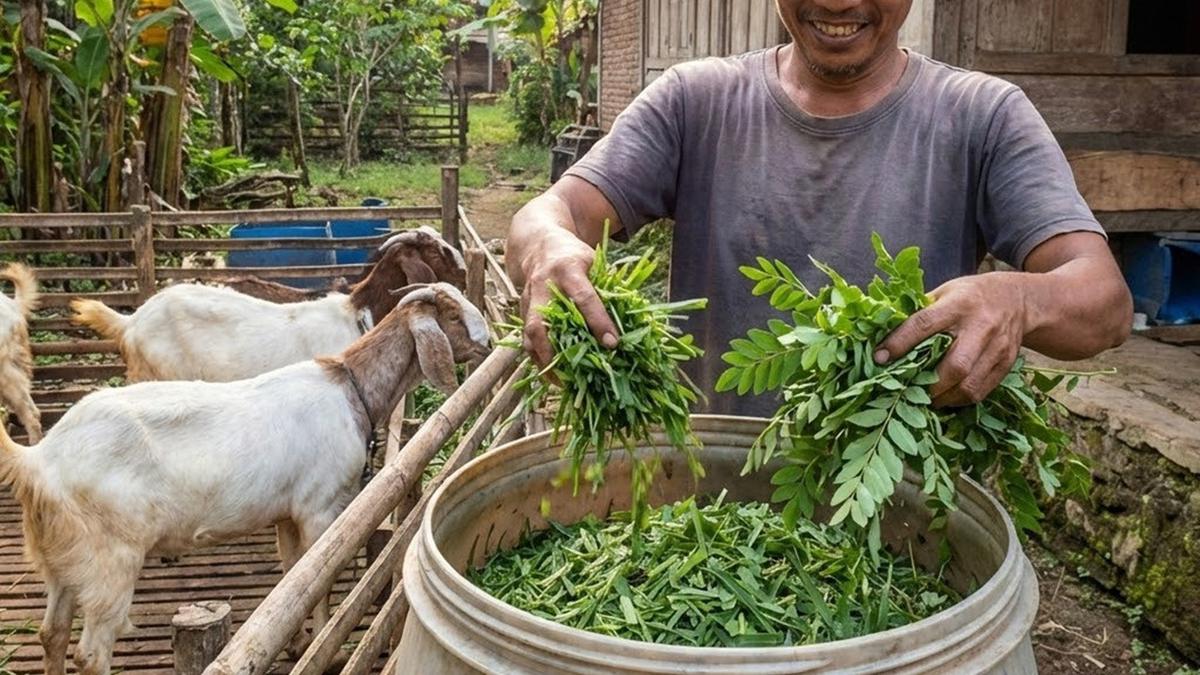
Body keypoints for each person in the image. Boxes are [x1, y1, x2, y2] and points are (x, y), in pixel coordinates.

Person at [508, 0, 1132, 417]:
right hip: (707, 511)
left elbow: (1104, 303)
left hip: (900, 531)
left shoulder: (984, 116)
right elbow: (552, 213)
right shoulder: (693, 102)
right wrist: (550, 249)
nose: (837, 0)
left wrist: (1020, 299)